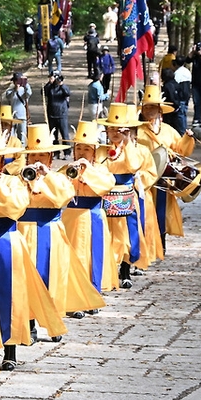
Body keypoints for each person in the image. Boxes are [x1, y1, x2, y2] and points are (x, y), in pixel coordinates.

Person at [0, 123, 65, 371]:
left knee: (10, 295)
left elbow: (16, 207)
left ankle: (10, 349)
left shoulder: (13, 182)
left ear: (1, 161)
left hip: (6, 241)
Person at [19, 125, 106, 320]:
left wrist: (47, 175)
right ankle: (29, 320)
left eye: (41, 157)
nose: (36, 161)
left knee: (56, 271)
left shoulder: (57, 177)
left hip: (52, 229)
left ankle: (56, 313)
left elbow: (64, 196)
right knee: (28, 276)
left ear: (50, 159)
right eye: (32, 157)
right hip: (26, 230)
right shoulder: (20, 178)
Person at [100, 103, 159, 286]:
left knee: (127, 234)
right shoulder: (102, 151)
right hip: (106, 195)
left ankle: (125, 270)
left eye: (120, 130)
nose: (115, 133)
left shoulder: (137, 150)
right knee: (107, 235)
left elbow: (136, 167)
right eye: (111, 129)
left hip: (127, 196)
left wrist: (127, 145)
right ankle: (107, 269)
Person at [63, 121, 119, 296]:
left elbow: (107, 184)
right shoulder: (67, 169)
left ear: (94, 152)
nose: (81, 153)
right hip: (72, 216)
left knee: (93, 255)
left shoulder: (101, 170)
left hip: (94, 214)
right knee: (74, 254)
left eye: (86, 149)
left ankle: (93, 290)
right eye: (78, 149)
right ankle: (76, 293)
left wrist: (88, 171)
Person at [138, 84, 196, 256]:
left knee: (161, 213)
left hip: (164, 178)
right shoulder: (137, 131)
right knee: (145, 213)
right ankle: (144, 246)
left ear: (160, 111)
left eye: (152, 108)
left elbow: (181, 150)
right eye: (146, 107)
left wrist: (187, 138)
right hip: (145, 179)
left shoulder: (169, 131)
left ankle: (161, 245)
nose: (149, 111)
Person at [43, 72, 71, 149]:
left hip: (62, 113)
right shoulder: (50, 87)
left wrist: (61, 85)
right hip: (52, 113)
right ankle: (56, 152)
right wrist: (49, 83)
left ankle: (67, 151)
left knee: (64, 133)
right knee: (53, 134)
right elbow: (44, 92)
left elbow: (68, 93)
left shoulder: (63, 87)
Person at [4, 72, 31, 143]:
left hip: (22, 117)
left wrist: (25, 83)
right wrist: (16, 90)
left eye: (18, 80)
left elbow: (29, 93)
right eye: (15, 80)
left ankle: (22, 152)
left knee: (22, 137)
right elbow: (9, 97)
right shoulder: (10, 91)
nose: (17, 82)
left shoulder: (24, 90)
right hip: (12, 117)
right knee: (11, 137)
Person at [173, 64, 192, 132]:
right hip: (186, 95)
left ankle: (183, 131)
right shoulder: (187, 71)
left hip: (181, 96)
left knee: (180, 115)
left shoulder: (177, 73)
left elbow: (176, 84)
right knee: (184, 114)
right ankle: (184, 129)